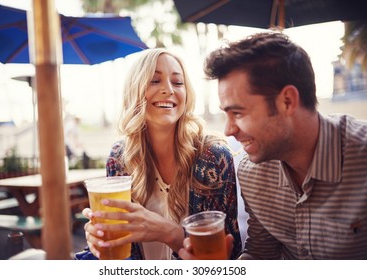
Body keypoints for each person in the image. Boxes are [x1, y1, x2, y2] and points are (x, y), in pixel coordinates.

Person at [179, 32, 367, 260]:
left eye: (237, 113)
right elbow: (261, 254)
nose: (228, 130)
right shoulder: (252, 174)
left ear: (287, 101)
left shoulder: (361, 158)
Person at [76, 48, 242, 260]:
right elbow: (125, 249)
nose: (169, 90)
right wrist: (99, 241)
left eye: (178, 82)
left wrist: (167, 232)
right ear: (134, 91)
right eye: (155, 81)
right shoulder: (119, 157)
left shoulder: (212, 156)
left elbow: (227, 254)